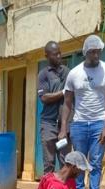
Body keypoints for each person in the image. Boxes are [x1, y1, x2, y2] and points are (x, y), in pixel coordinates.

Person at [59, 34, 105, 189]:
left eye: (98, 52)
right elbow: (67, 102)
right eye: (92, 52)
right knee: (78, 161)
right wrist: (64, 127)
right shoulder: (74, 73)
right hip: (78, 124)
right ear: (85, 52)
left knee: (96, 162)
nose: (96, 56)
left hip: (99, 122)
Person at [38, 41, 70, 173]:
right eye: (55, 54)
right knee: (49, 163)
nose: (59, 56)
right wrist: (63, 92)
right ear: (47, 56)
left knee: (65, 162)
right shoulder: (43, 74)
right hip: (48, 125)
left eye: (59, 53)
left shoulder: (67, 72)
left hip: (64, 124)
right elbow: (44, 98)